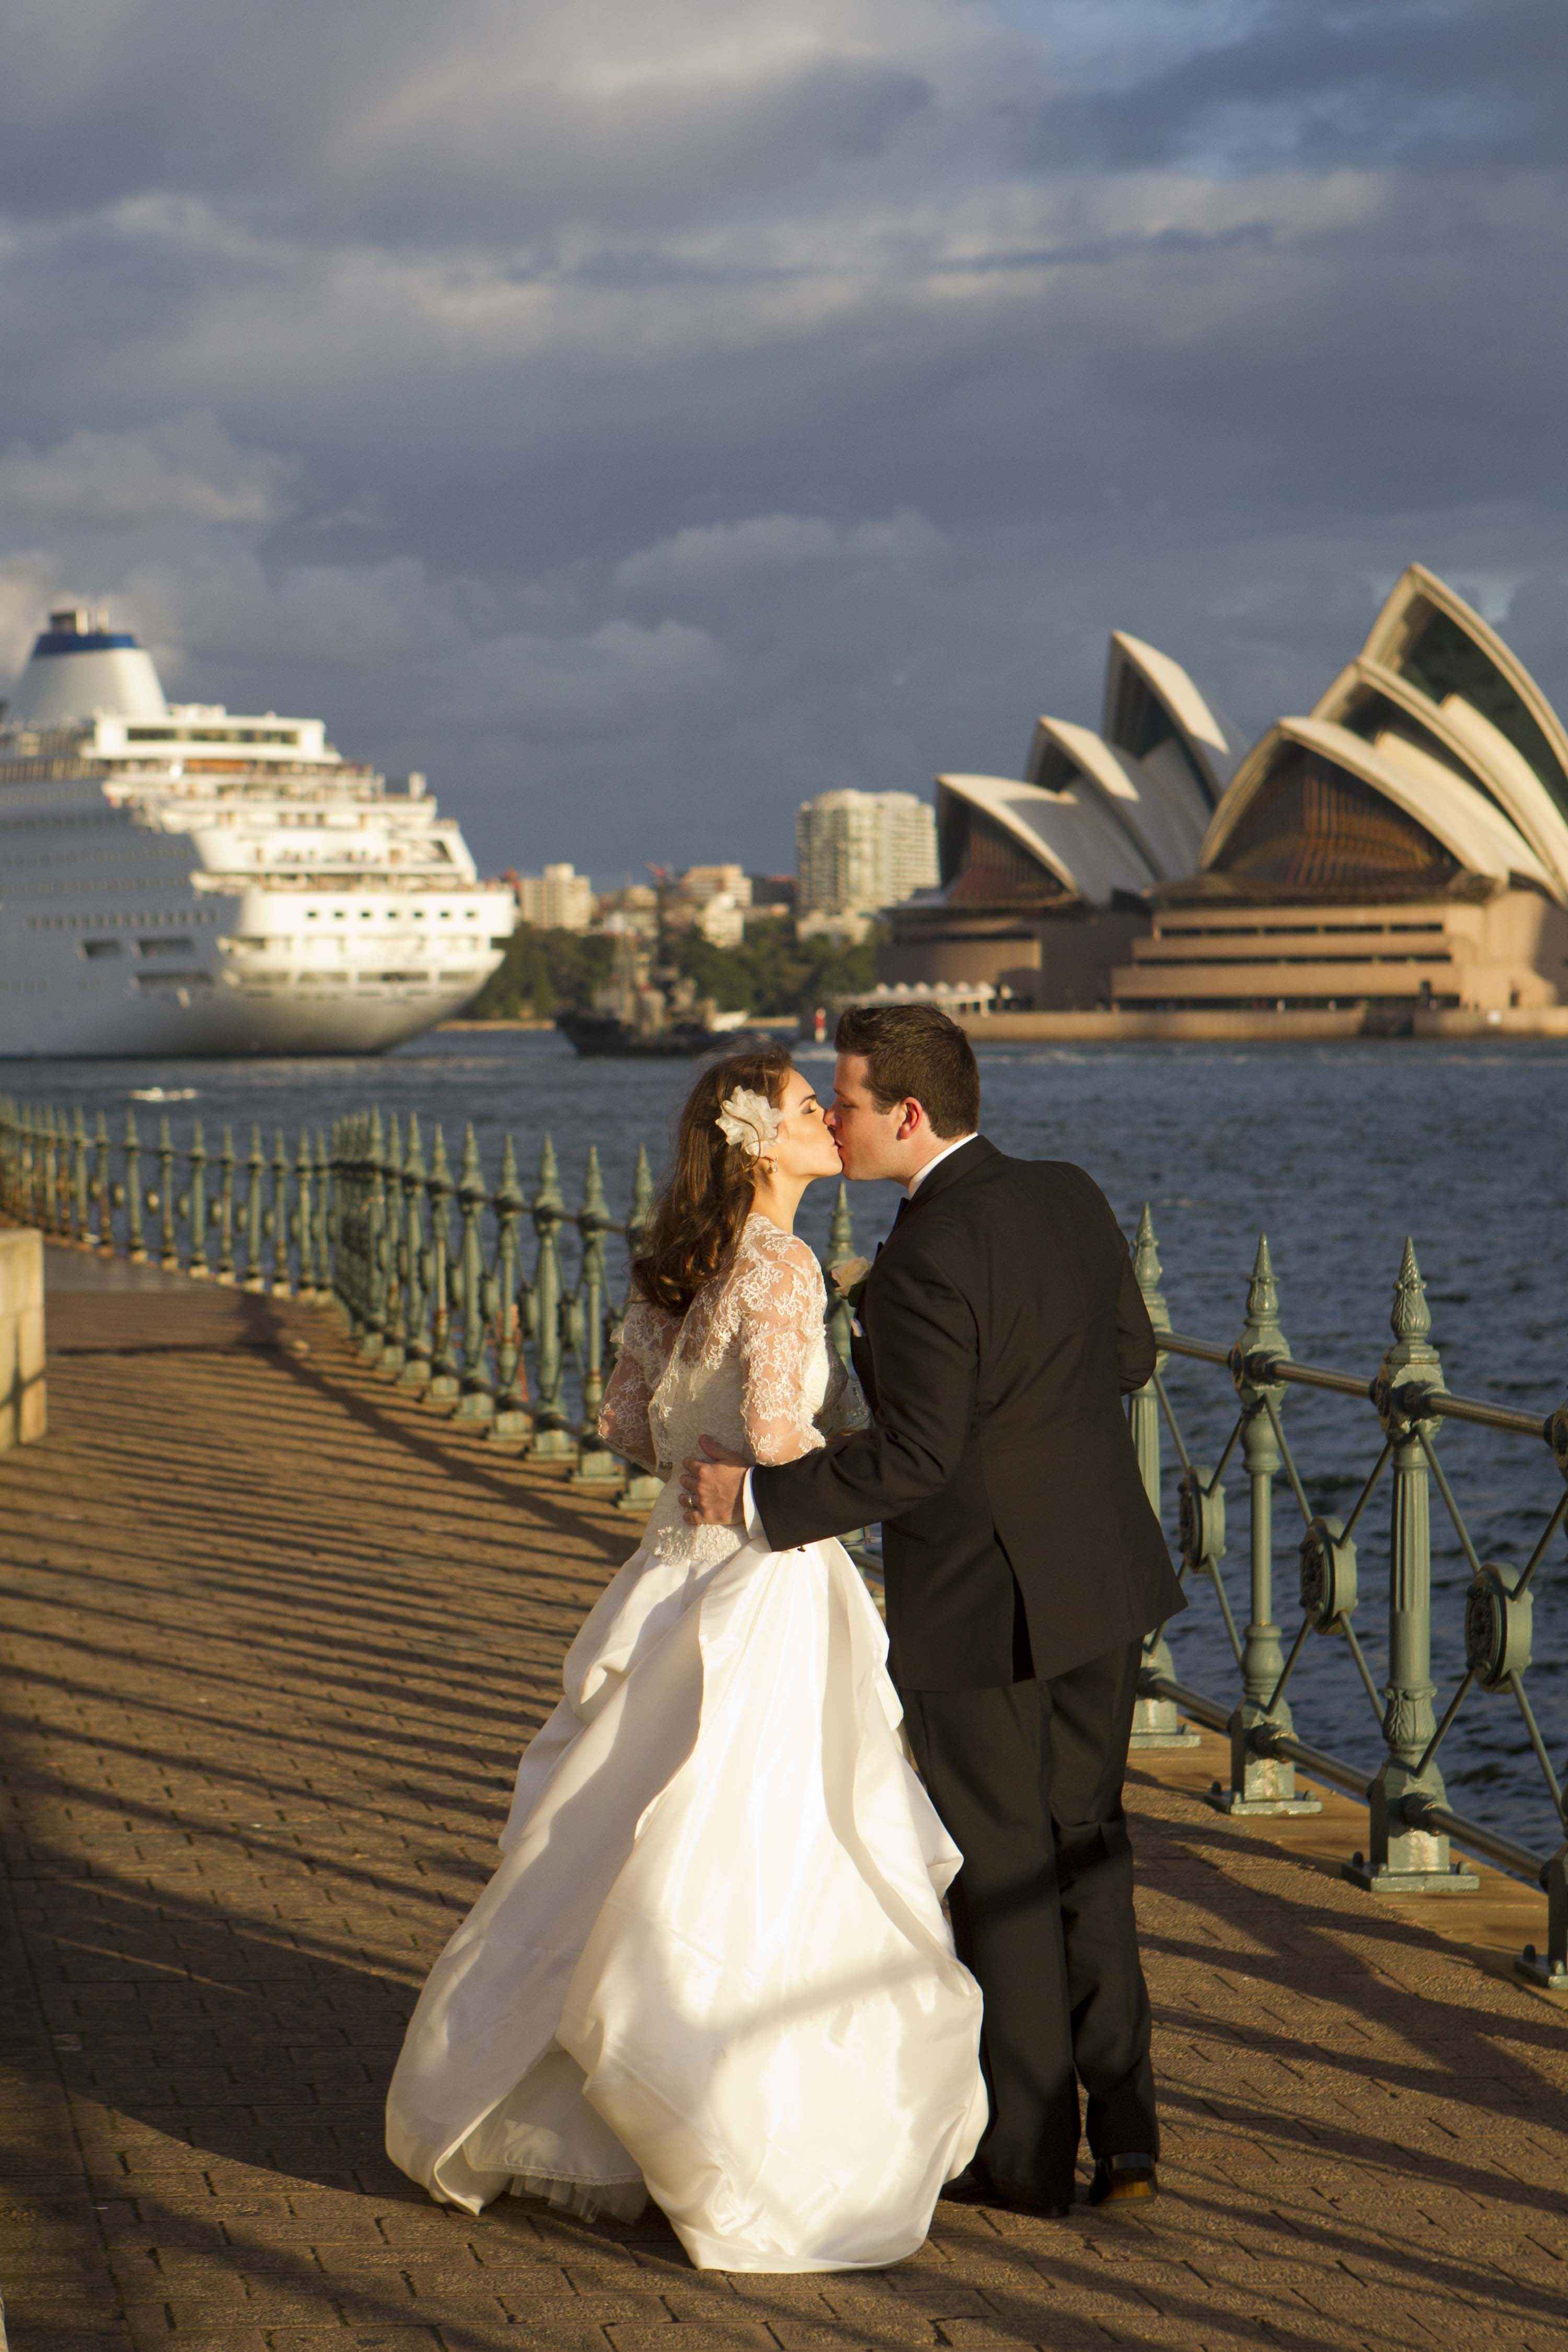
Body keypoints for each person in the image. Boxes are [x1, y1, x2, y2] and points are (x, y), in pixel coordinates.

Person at [385, 1046, 986, 2272]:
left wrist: (716, 1432)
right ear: (764, 1140)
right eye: (814, 1109)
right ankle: (732, 2127)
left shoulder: (682, 1260)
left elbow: (620, 1422)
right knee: (768, 1842)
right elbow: (775, 1437)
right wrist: (871, 1421)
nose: (834, 1121)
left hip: (667, 1571)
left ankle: (573, 2100)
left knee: (611, 1835)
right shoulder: (782, 1263)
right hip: (758, 1580)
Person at [683, 1005, 1184, 2218]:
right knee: (1091, 1850)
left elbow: (912, 1460)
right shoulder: (1066, 1192)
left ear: (908, 1115)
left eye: (845, 1104)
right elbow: (1130, 1356)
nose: (835, 1122)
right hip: (1103, 1577)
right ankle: (1127, 2144)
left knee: (1003, 1874)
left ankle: (1025, 2164)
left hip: (980, 1604)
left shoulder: (918, 1264)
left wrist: (757, 1499)